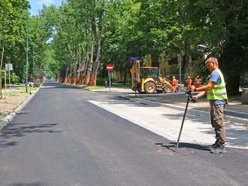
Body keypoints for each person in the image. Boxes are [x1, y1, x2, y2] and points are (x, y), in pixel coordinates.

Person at [191, 57, 228, 154]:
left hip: (217, 102)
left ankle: (221, 144)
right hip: (215, 102)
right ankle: (218, 141)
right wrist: (197, 96)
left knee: (218, 123)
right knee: (215, 123)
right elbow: (208, 89)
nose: (207, 67)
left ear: (213, 63)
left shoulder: (215, 73)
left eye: (208, 65)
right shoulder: (215, 73)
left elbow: (209, 86)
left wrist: (195, 89)